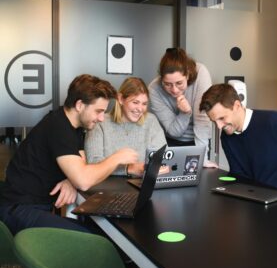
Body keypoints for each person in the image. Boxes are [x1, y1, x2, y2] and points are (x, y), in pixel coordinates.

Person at [0, 74, 139, 235]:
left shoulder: (75, 127)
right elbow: (84, 181)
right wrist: (117, 158)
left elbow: (82, 166)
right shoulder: (58, 126)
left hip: (35, 207)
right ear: (80, 105)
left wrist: (71, 180)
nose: (101, 118)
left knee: (100, 232)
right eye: (98, 111)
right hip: (18, 210)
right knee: (97, 238)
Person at [199, 83, 277, 192]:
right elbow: (240, 178)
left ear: (237, 106)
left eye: (222, 118)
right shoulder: (227, 138)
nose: (219, 126)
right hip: (258, 200)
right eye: (214, 121)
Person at [85, 77, 166, 177]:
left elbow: (164, 157)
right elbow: (93, 163)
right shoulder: (100, 122)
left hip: (142, 184)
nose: (140, 109)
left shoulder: (151, 121)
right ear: (120, 99)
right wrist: (128, 168)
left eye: (144, 104)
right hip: (107, 186)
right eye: (135, 102)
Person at [148, 47, 216, 167]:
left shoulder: (201, 73)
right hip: (171, 143)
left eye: (179, 83)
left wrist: (202, 159)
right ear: (161, 79)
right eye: (167, 84)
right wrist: (185, 113)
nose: (174, 90)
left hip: (200, 142)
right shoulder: (154, 89)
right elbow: (174, 131)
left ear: (188, 74)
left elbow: (202, 121)